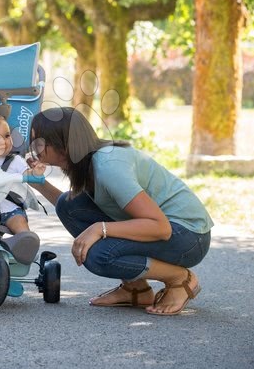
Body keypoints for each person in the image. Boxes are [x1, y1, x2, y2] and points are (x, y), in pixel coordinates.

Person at [27, 107, 213, 316]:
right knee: (67, 205)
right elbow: (73, 209)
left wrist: (99, 229)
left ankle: (179, 279)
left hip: (188, 236)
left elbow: (162, 228)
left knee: (98, 255)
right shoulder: (86, 163)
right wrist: (39, 183)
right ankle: (136, 289)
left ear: (63, 143)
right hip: (168, 229)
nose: (35, 149)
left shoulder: (108, 166)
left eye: (39, 142)